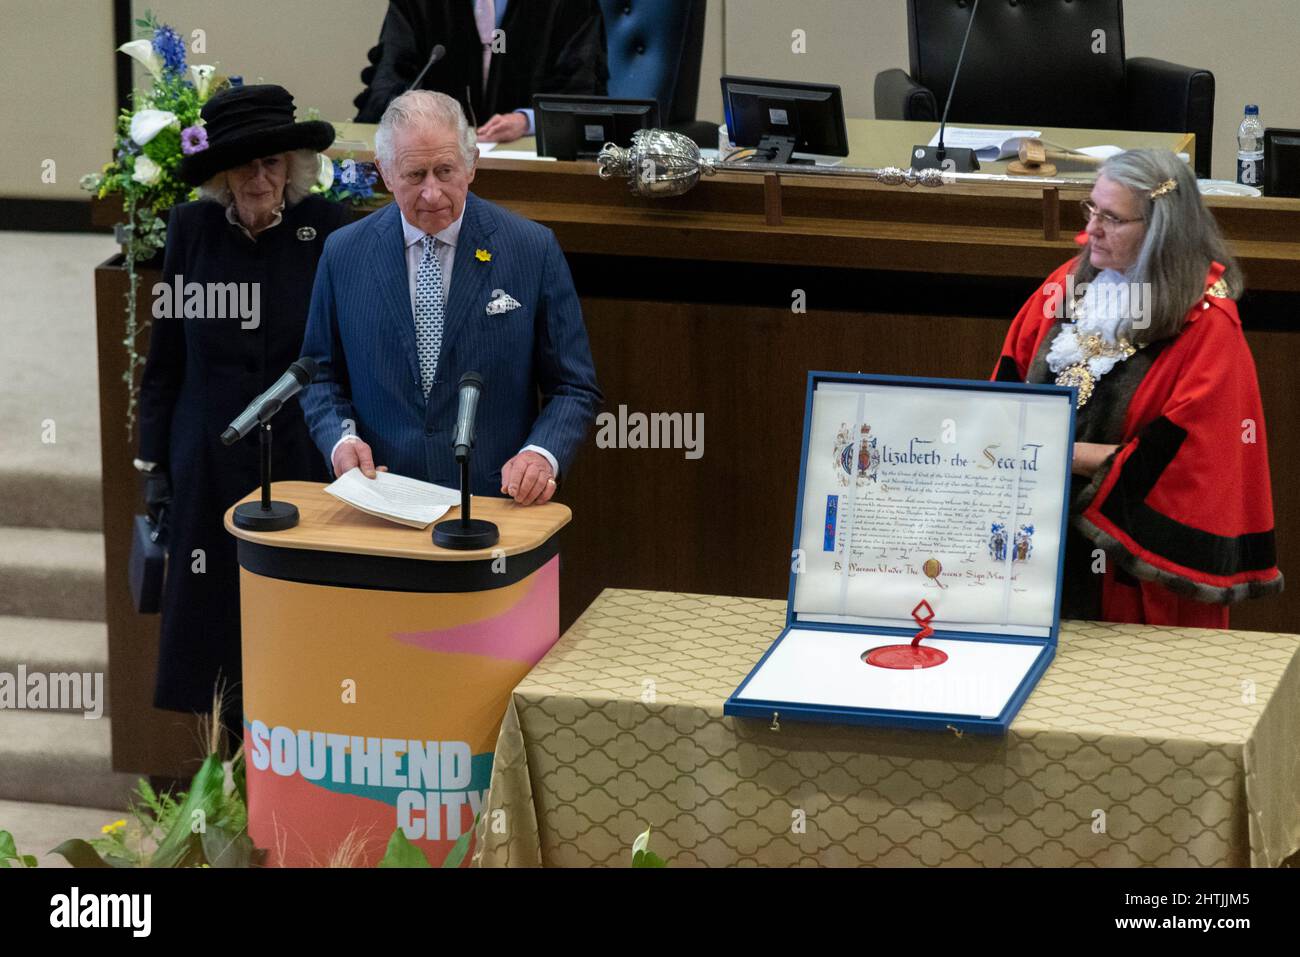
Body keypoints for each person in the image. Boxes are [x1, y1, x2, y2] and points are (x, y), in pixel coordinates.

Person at [136, 84, 351, 737]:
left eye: (274, 163)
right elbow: (166, 356)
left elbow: (344, 355)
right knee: (217, 633)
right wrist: (154, 462)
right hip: (208, 457)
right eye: (246, 165)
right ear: (223, 172)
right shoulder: (191, 231)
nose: (261, 178)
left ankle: (302, 789)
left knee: (299, 628)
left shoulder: (330, 234)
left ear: (293, 168)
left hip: (299, 456)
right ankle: (229, 790)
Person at [994, 148, 1283, 627]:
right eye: (1091, 210)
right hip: (1035, 545)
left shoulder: (1208, 329)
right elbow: (1004, 391)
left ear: (1160, 231)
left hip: (1131, 575)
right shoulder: (1064, 285)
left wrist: (1056, 452)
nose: (1092, 230)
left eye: (1112, 218)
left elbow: (1187, 466)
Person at [300, 89, 601, 503]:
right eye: (413, 175)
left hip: (496, 502)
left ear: (472, 164)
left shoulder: (532, 249)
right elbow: (319, 375)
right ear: (385, 173)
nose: (432, 193)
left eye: (445, 171)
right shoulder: (343, 252)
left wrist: (541, 454)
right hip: (381, 500)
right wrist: (341, 440)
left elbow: (573, 386)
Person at [352, 0, 608, 143]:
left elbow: (583, 93)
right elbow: (390, 80)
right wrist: (423, 116)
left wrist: (527, 121)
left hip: (530, 163)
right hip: (432, 154)